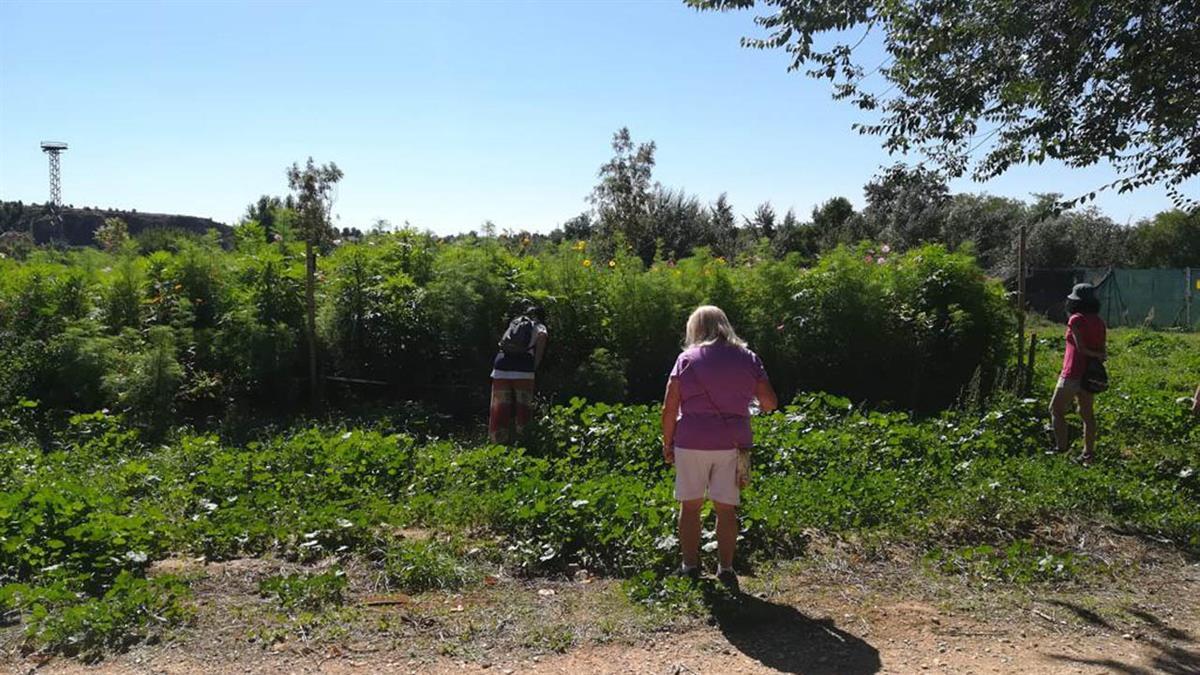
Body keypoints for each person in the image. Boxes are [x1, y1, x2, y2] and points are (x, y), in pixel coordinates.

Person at [661, 305, 777, 591]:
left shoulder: (686, 359)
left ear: (695, 329)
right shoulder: (748, 358)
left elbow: (669, 407)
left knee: (690, 507)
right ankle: (726, 568)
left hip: (691, 441)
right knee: (727, 509)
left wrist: (668, 442)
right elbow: (770, 403)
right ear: (725, 325)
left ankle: (690, 567)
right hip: (735, 444)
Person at [1049, 283, 1106, 464]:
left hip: (1072, 372)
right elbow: (1102, 350)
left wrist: (1094, 354)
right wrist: (1098, 355)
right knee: (1087, 415)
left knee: (1056, 410)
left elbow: (1080, 348)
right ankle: (1088, 454)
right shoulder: (1099, 321)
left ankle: (1061, 448)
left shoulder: (1075, 319)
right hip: (1090, 375)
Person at [488, 305, 548, 443]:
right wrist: (535, 364)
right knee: (523, 408)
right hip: (523, 370)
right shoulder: (539, 326)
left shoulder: (515, 322)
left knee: (499, 407)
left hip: (501, 367)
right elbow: (542, 337)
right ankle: (524, 442)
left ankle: (497, 442)